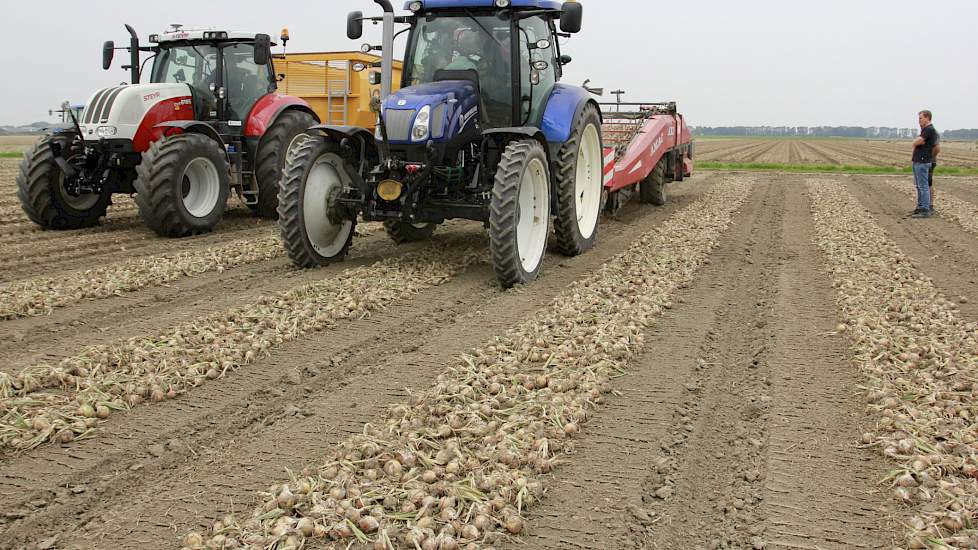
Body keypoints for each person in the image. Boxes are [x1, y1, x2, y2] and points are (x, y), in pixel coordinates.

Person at [910, 110, 939, 218]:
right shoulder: (925, 130)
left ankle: (925, 209)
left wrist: (915, 142)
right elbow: (919, 141)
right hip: (918, 161)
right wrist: (917, 142)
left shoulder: (929, 129)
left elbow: (919, 141)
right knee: (919, 186)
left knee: (923, 186)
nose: (919, 120)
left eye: (920, 118)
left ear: (927, 118)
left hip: (923, 161)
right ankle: (920, 207)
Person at [929, 138, 941, 213]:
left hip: (929, 162)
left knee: (928, 184)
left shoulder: (932, 132)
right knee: (924, 184)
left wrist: (929, 158)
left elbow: (937, 148)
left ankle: (930, 206)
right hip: (927, 162)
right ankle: (924, 205)